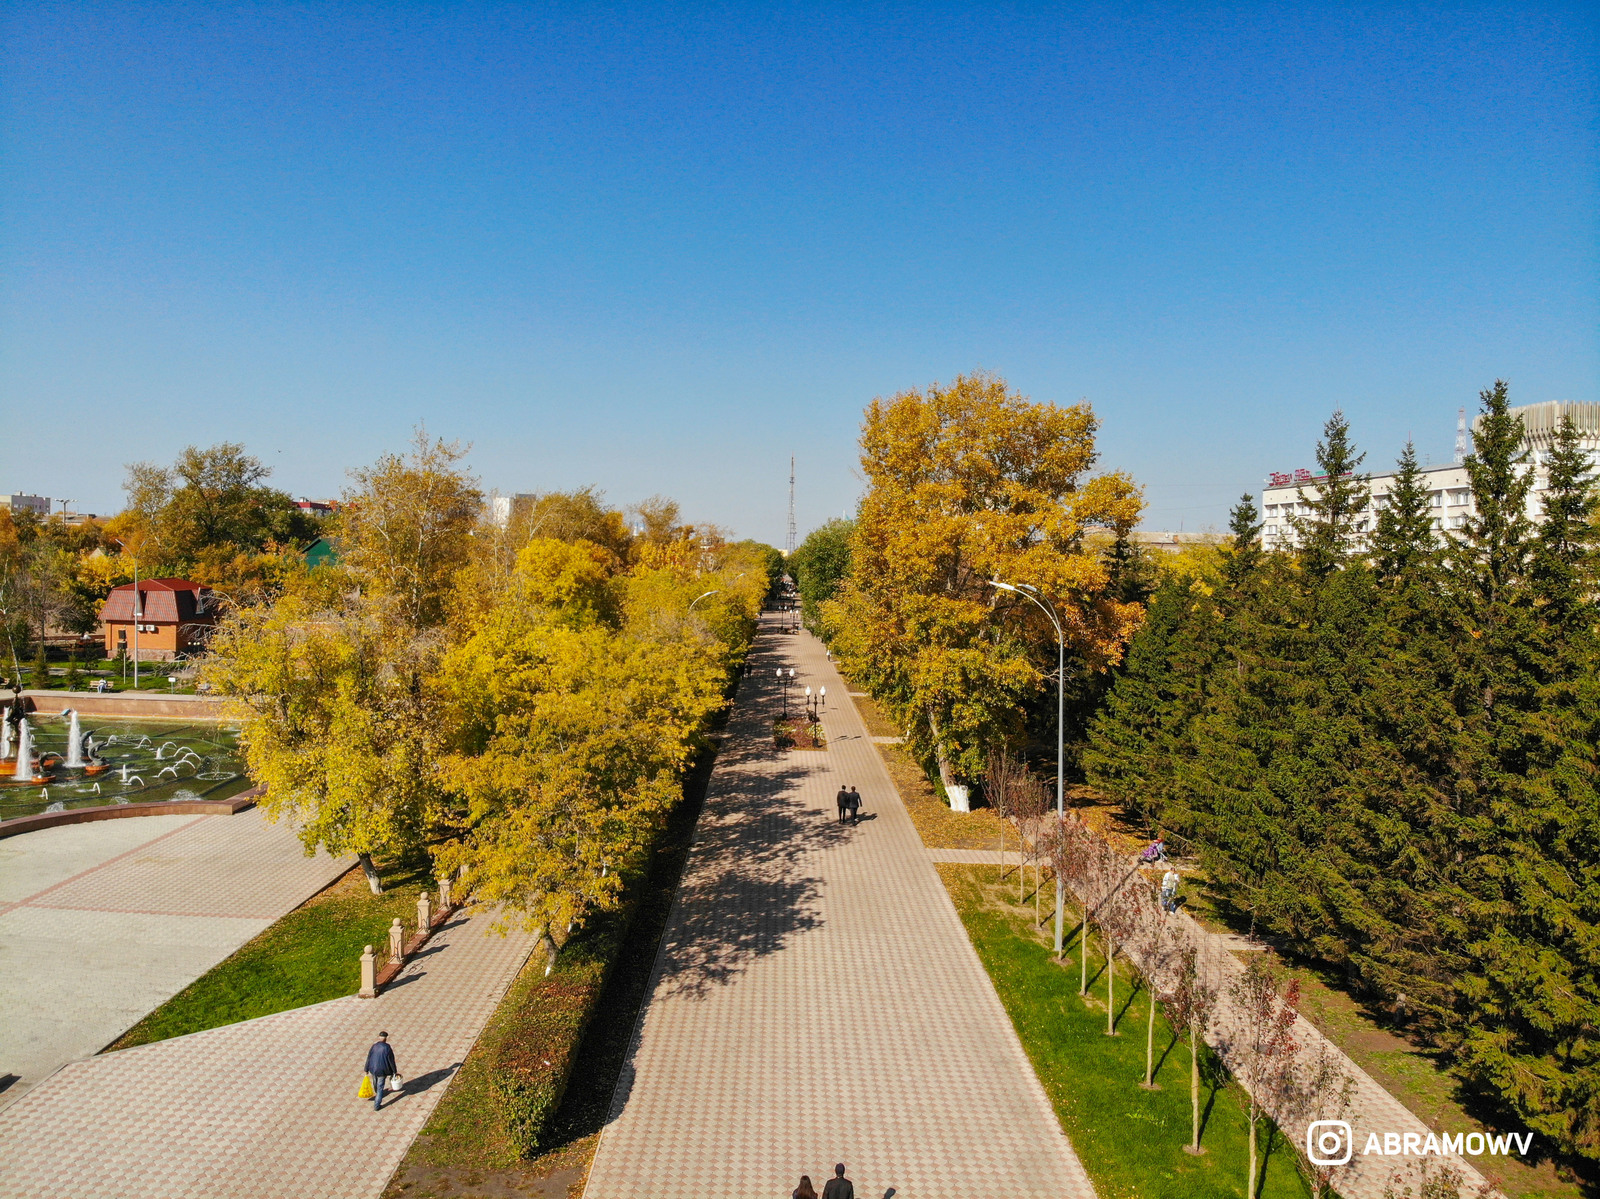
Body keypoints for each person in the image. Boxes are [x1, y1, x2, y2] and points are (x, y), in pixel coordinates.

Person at [365, 1031, 398, 1111]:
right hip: (382, 1070)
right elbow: (391, 1060)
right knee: (380, 1088)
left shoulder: (374, 1046)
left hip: (373, 1069)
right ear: (386, 1039)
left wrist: (366, 1069)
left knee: (375, 1082)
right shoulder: (387, 1048)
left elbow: (369, 1057)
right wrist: (394, 1071)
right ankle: (377, 1105)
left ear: (379, 1037)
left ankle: (377, 1092)